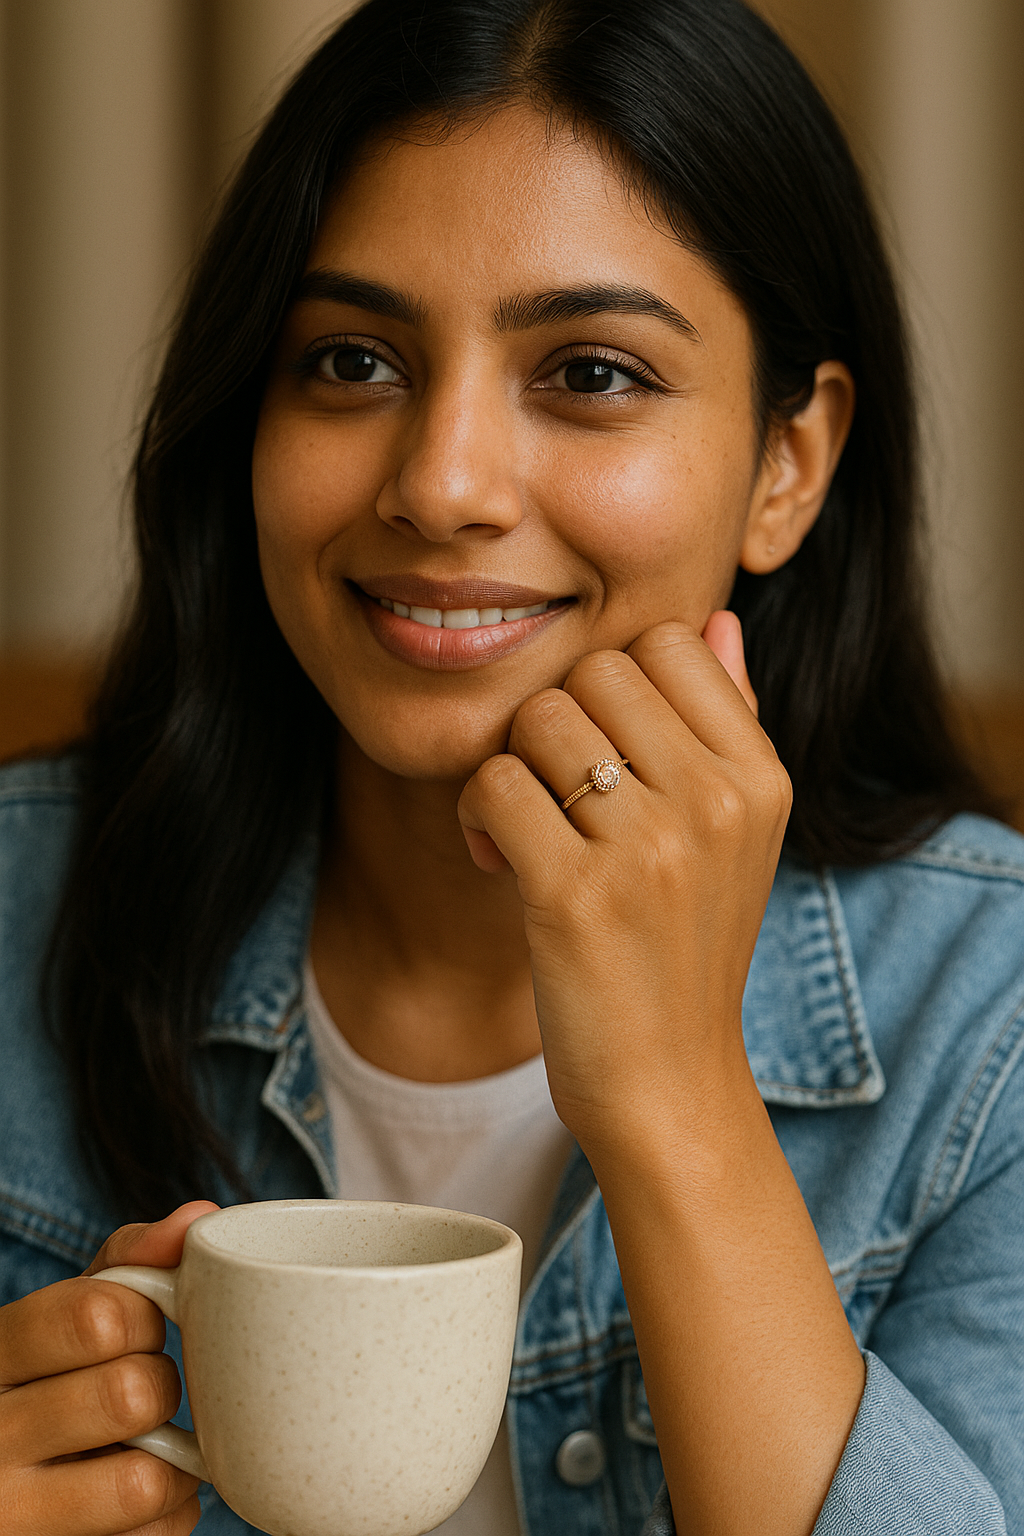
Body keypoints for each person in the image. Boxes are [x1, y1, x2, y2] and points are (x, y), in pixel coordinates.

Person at [1, 0, 1021, 1532]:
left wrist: (677, 1100)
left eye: (592, 373)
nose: (443, 483)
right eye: (350, 359)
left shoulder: (993, 1017)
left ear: (787, 466)